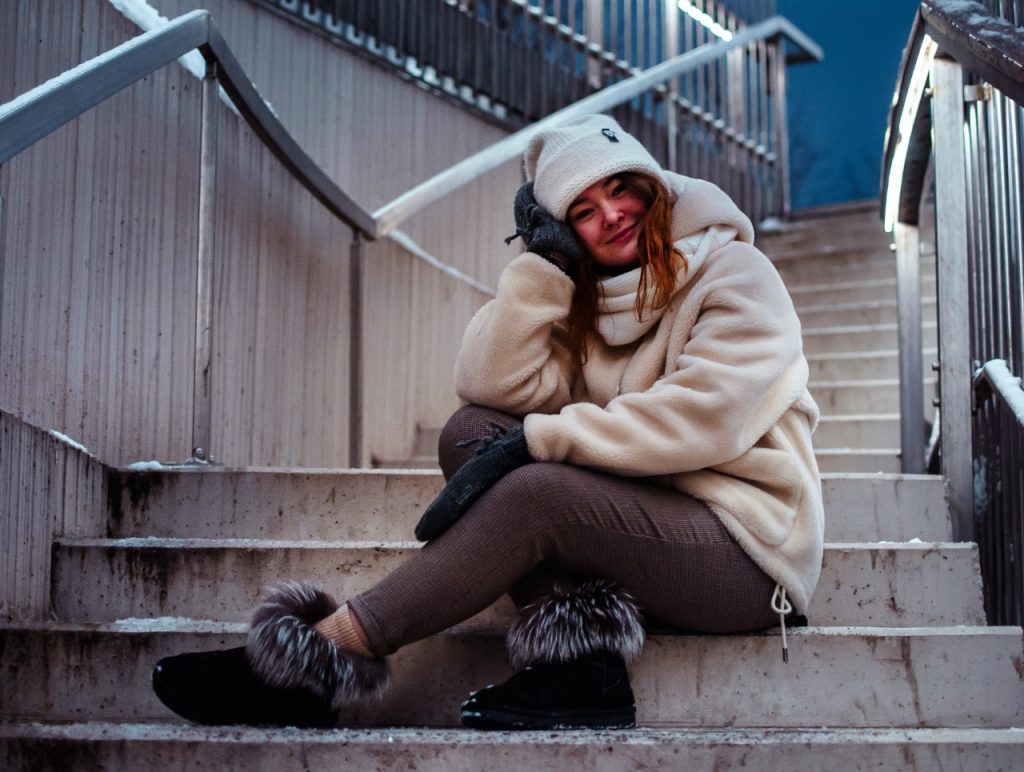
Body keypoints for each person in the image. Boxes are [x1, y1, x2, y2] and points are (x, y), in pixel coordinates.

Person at [152, 114, 823, 731]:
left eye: (622, 189)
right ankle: (580, 668)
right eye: (583, 211)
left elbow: (706, 417)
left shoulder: (735, 271)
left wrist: (544, 440)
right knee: (471, 434)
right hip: (639, 525)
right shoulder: (585, 294)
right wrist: (543, 268)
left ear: (654, 185)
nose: (612, 215)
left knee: (537, 489)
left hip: (744, 554)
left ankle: (321, 659)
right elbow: (494, 384)